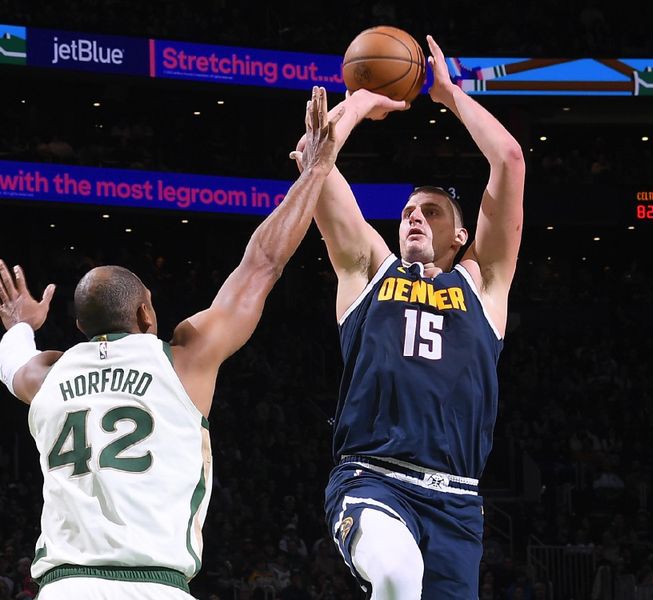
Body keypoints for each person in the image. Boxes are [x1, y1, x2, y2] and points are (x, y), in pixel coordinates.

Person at [0, 86, 342, 600]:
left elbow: (15, 362)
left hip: (63, 587)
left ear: (78, 329)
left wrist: (22, 321)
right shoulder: (180, 359)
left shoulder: (48, 378)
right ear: (145, 312)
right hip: (153, 585)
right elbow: (261, 266)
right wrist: (316, 171)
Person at [299, 35, 525, 599]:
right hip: (372, 479)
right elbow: (316, 166)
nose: (414, 219)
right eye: (406, 213)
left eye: (431, 212)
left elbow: (510, 160)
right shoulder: (368, 271)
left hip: (456, 501)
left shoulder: (484, 286)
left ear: (462, 234)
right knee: (398, 576)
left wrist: (450, 96)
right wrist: (354, 104)